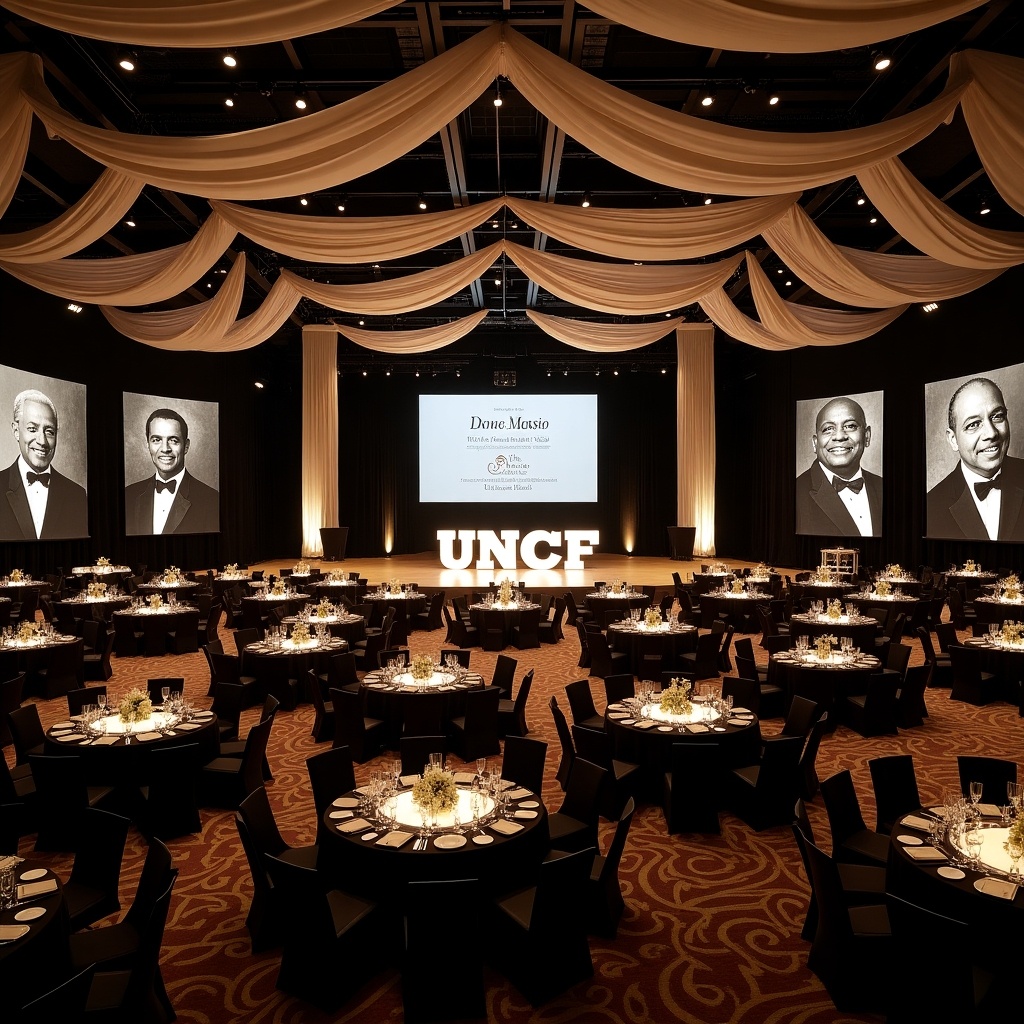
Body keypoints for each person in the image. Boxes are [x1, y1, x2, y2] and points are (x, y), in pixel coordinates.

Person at [926, 377, 1024, 541]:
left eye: (997, 416)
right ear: (953, 439)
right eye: (973, 424)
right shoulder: (931, 507)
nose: (991, 433)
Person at [0, 388, 88, 541]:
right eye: (32, 429)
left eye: (49, 431)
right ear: (16, 430)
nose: (42, 441)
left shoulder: (76, 495)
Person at [795, 396, 881, 537]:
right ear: (815, 443)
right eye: (828, 429)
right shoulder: (794, 493)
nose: (839, 436)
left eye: (850, 426)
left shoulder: (885, 488)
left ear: (867, 436)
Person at [125, 407, 219, 535]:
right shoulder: (128, 495)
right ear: (148, 444)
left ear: (186, 446)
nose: (165, 448)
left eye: (173, 440)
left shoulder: (212, 500)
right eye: (157, 440)